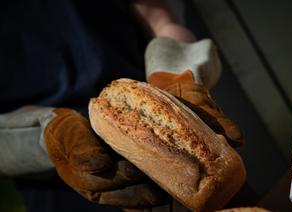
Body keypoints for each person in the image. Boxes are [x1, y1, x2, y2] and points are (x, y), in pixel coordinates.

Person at [0, 0, 243, 211]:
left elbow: (160, 19)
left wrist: (176, 71)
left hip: (168, 131)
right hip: (64, 188)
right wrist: (44, 138)